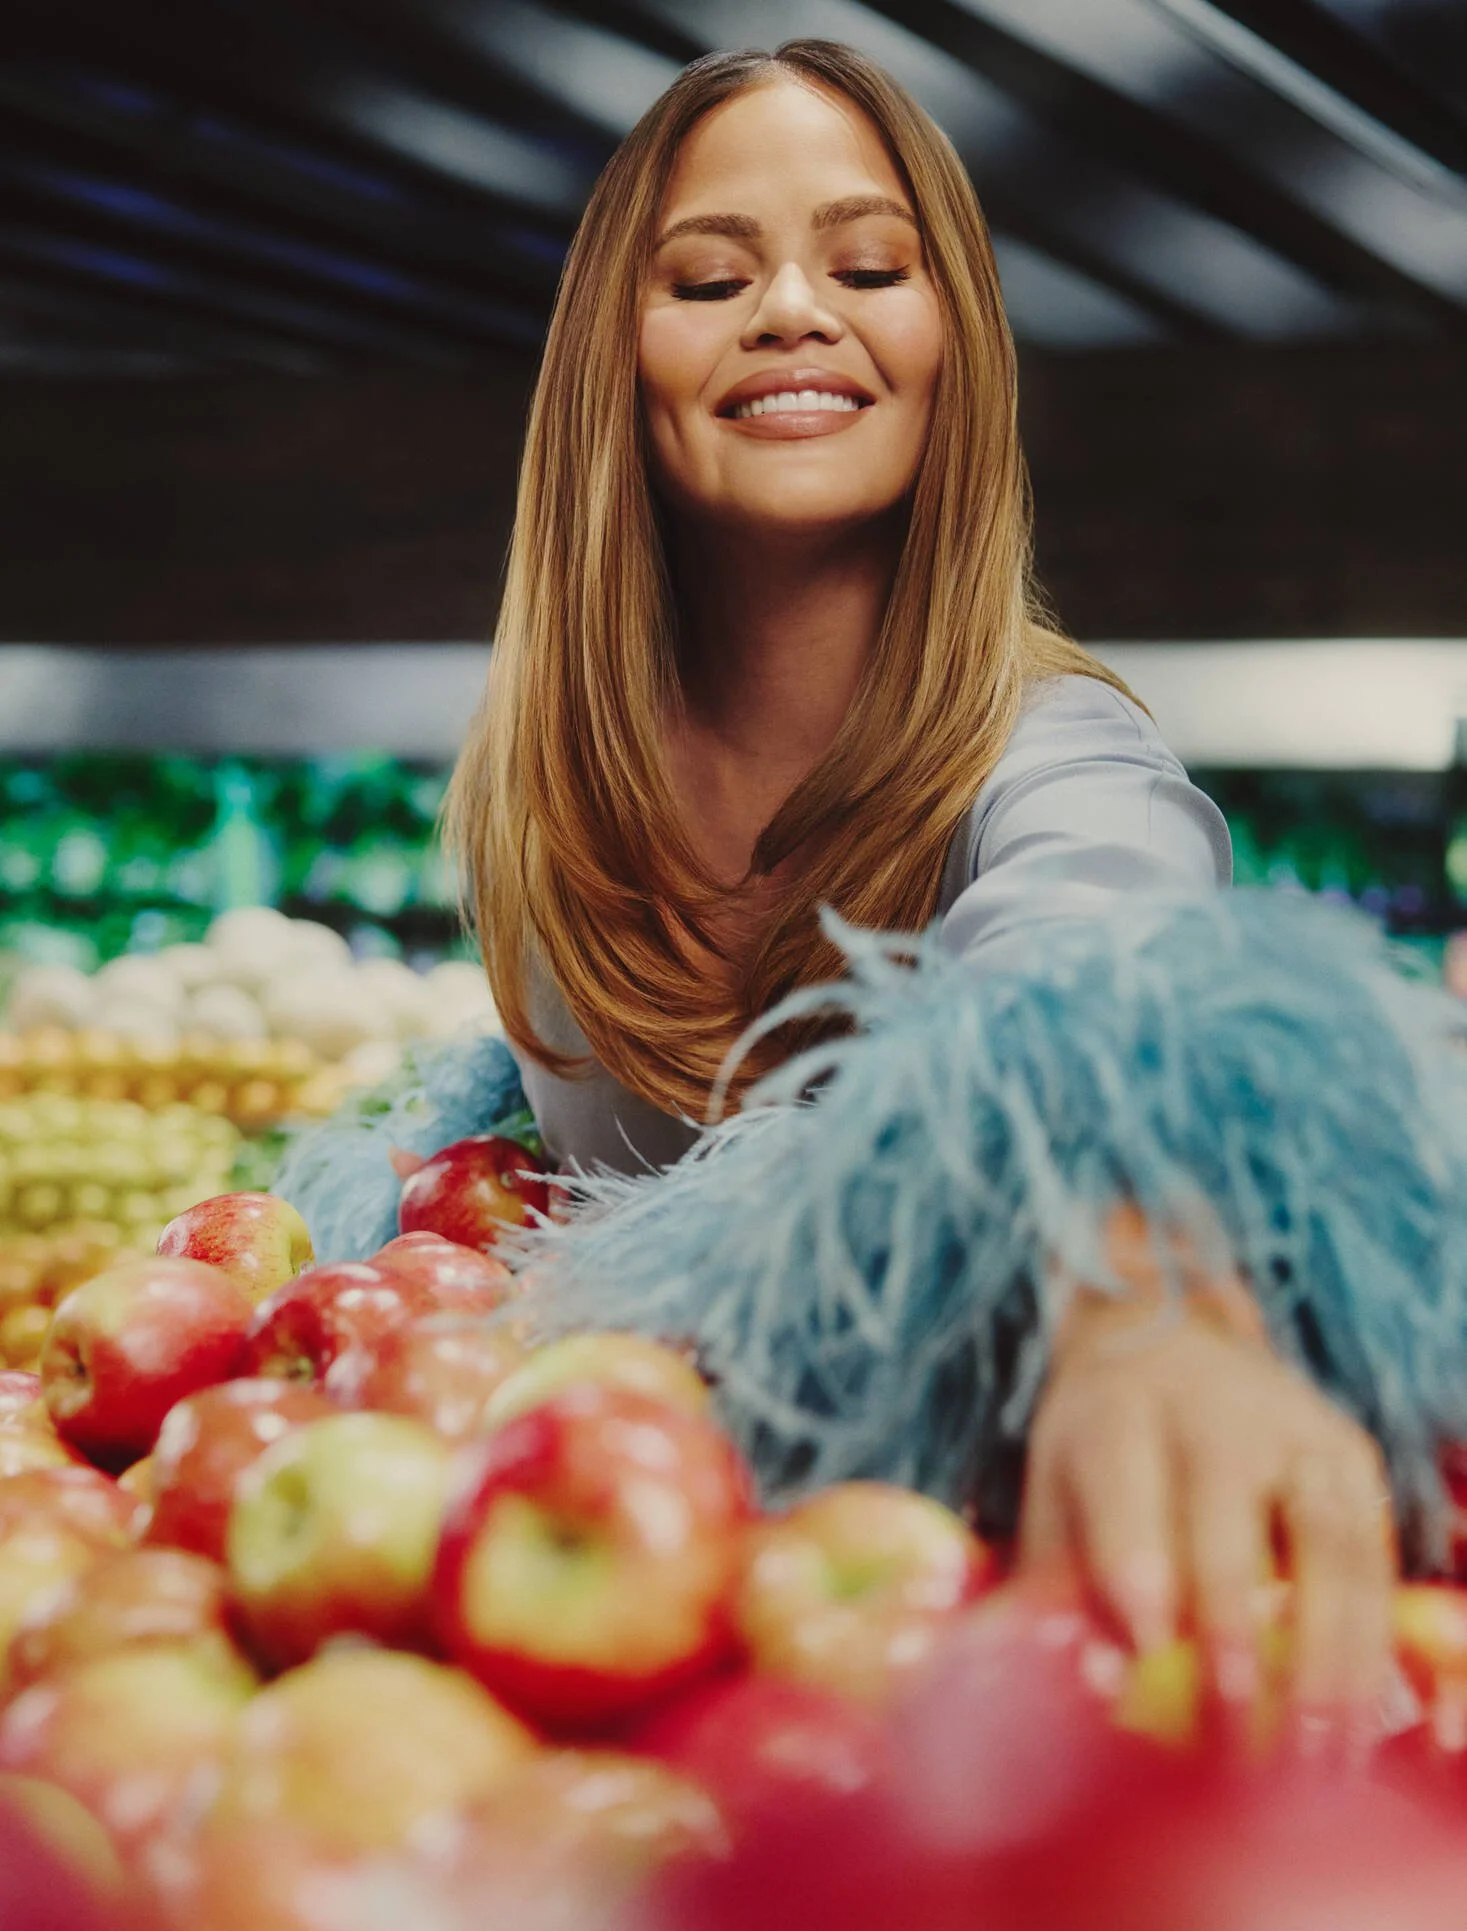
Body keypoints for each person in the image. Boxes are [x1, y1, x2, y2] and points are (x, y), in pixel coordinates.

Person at [435, 42, 1401, 1737]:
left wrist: (1142, 1303)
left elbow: (1093, 1001)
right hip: (621, 1685)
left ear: (952, 348)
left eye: (870, 267)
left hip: (982, 1670)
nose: (793, 312)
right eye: (710, 280)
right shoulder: (541, 812)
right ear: (615, 365)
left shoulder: (1063, 757)